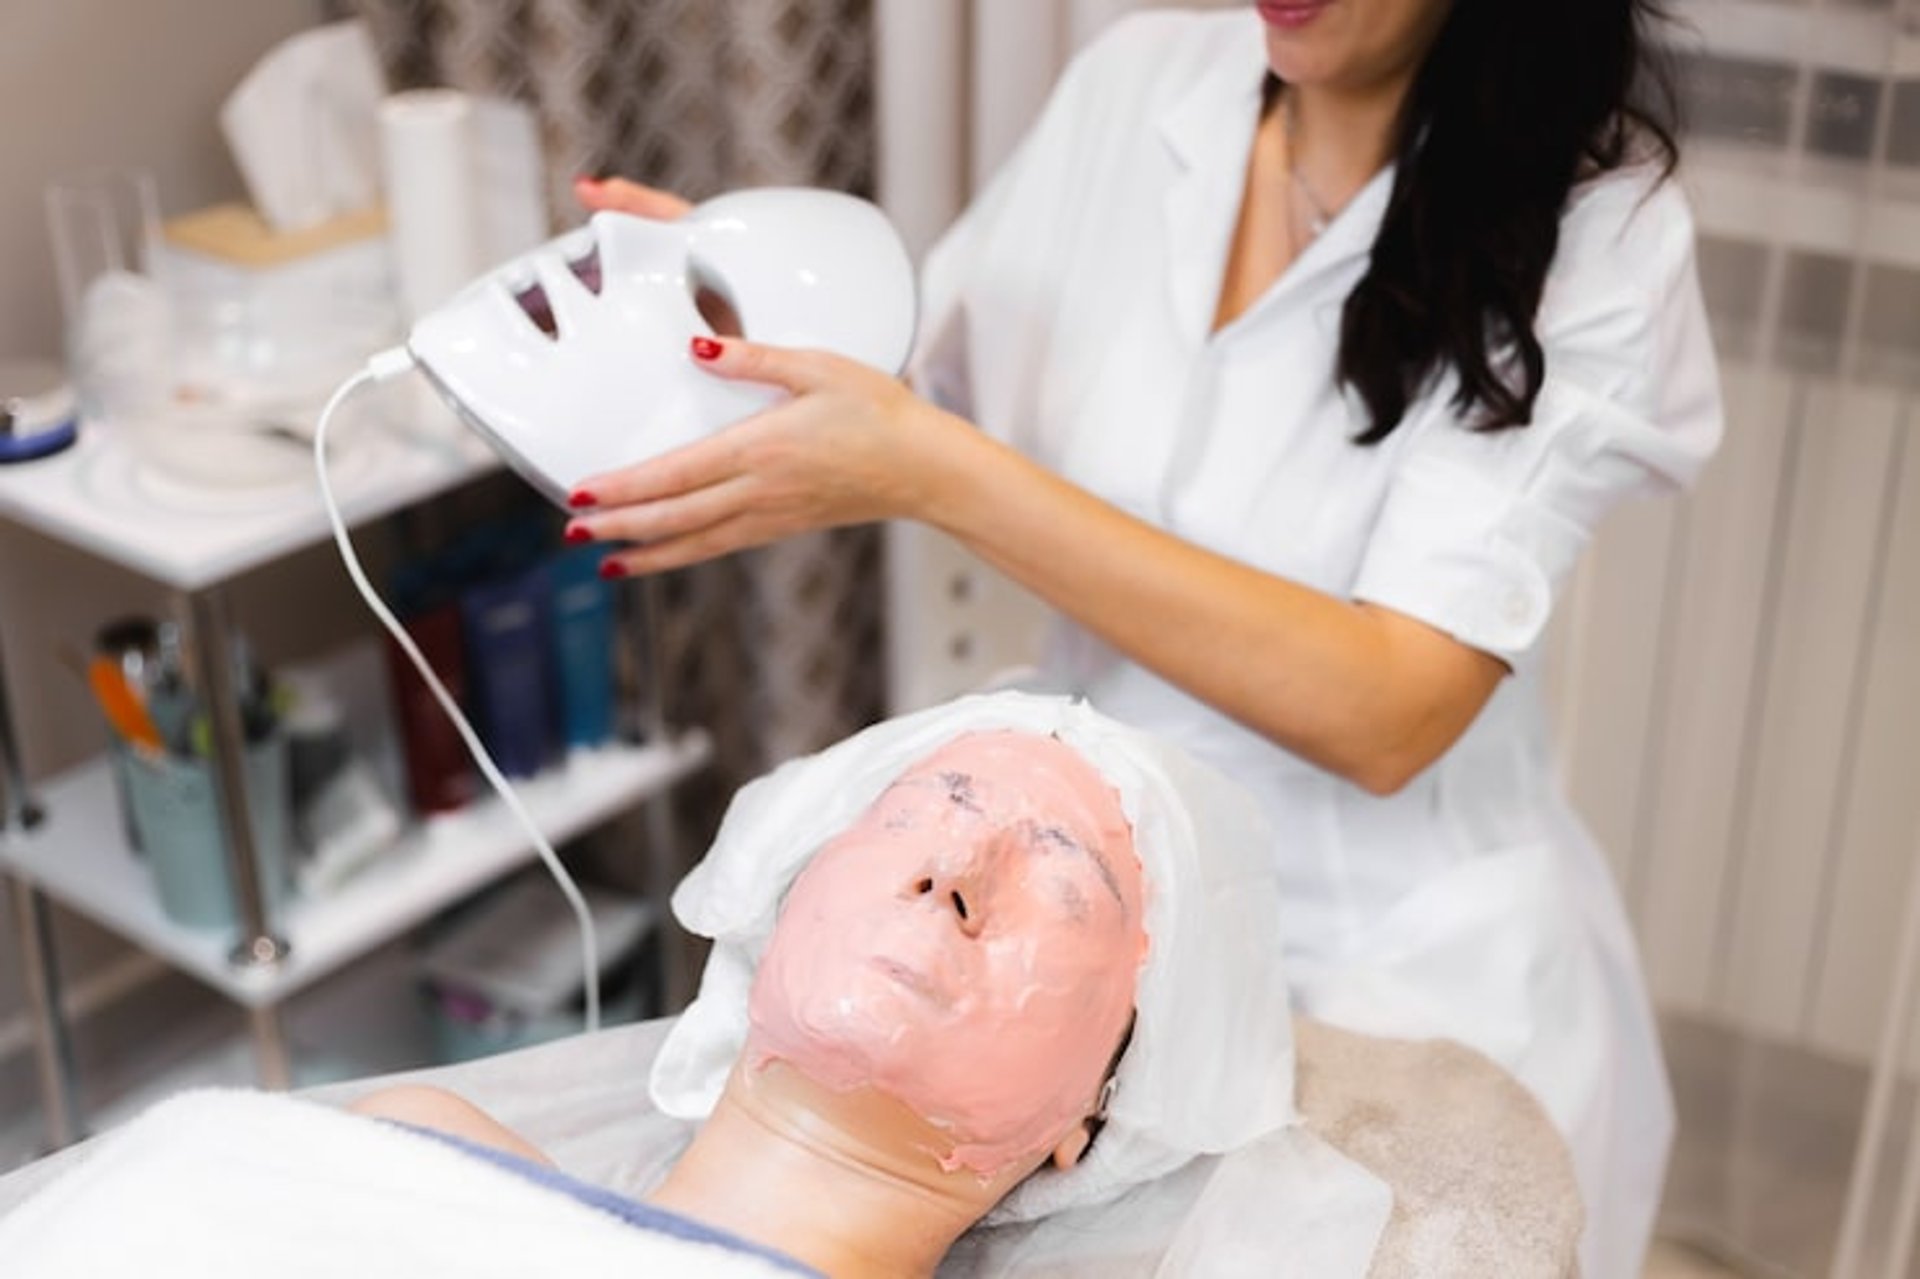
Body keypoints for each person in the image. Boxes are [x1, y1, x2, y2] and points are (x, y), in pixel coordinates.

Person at [568, 4, 1722, 1275]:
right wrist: (745, 312)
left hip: (1393, 957)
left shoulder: (1602, 235)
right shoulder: (1143, 82)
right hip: (1092, 928)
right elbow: (930, 378)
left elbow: (1391, 705)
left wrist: (930, 472)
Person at [355, 699, 1301, 1278]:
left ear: (1093, 1114)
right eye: (918, 813)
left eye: (1063, 887)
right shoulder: (418, 1154)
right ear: (778, 913)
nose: (955, 868)